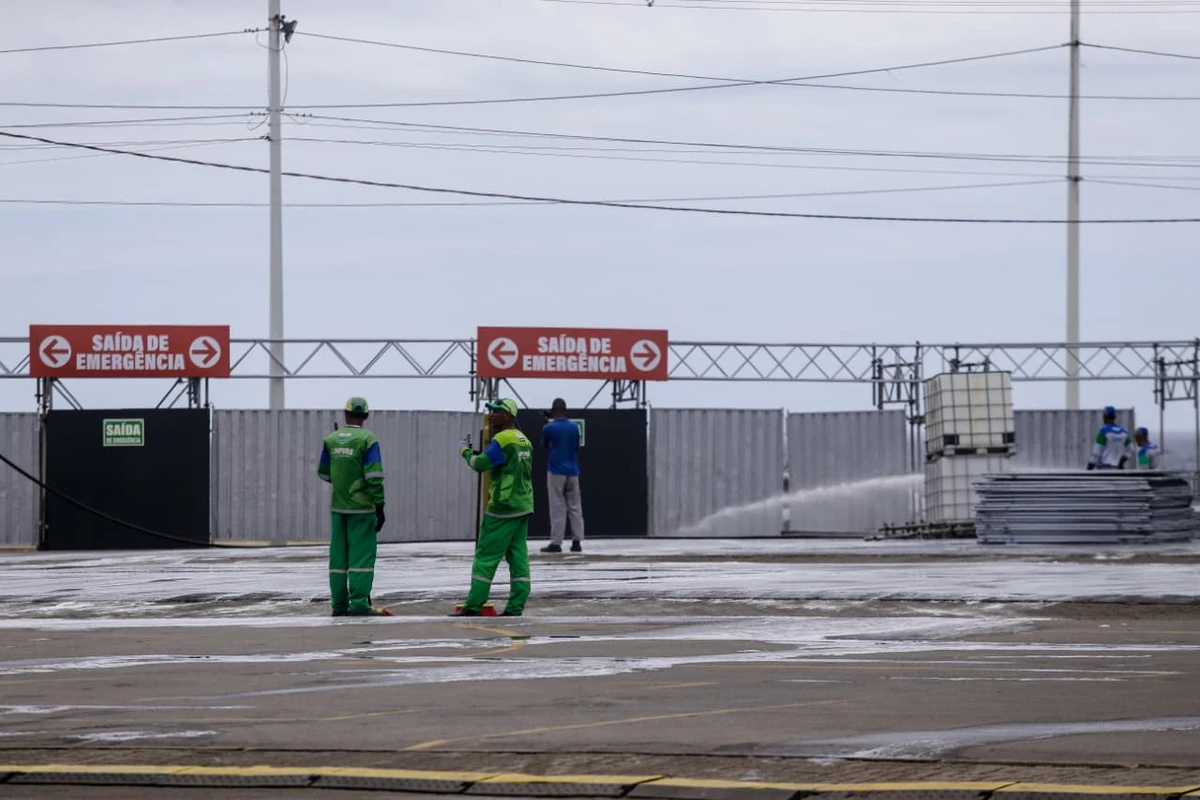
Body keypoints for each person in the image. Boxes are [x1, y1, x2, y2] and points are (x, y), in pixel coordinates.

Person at [455, 398, 534, 617]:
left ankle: (473, 606)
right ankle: (516, 606)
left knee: (486, 557)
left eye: (497, 412)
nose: (492, 415)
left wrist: (465, 451)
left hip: (503, 507)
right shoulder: (524, 440)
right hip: (523, 504)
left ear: (508, 415)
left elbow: (479, 464)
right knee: (518, 557)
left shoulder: (503, 440)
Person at [317, 397, 389, 617]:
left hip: (338, 509)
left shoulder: (331, 440)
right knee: (361, 558)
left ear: (345, 414)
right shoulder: (368, 440)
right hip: (363, 509)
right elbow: (374, 476)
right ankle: (358, 604)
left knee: (338, 558)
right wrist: (380, 506)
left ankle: (339, 605)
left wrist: (342, 485)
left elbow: (323, 473)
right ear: (365, 417)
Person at [540, 398, 584, 554]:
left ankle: (556, 542)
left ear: (553, 410)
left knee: (557, 506)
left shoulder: (549, 428)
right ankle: (577, 541)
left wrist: (545, 423)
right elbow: (576, 447)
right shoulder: (574, 427)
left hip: (556, 470)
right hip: (573, 470)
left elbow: (545, 444)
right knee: (575, 507)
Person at [1087, 405, 1135, 470]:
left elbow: (1096, 453)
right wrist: (1121, 461)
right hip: (1118, 469)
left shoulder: (1103, 432)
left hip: (1104, 468)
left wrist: (1089, 469)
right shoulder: (1123, 433)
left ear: (1104, 417)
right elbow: (1131, 450)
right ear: (1115, 417)